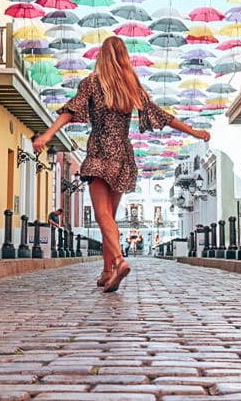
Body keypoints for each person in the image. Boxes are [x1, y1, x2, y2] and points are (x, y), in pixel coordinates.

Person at [33, 36, 210, 293]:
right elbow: (161, 115)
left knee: (102, 214)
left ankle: (117, 261)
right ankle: (107, 271)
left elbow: (71, 111)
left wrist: (48, 135)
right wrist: (193, 131)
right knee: (111, 218)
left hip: (99, 152)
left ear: (101, 57)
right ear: (124, 58)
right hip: (123, 156)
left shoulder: (92, 83)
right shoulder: (130, 86)